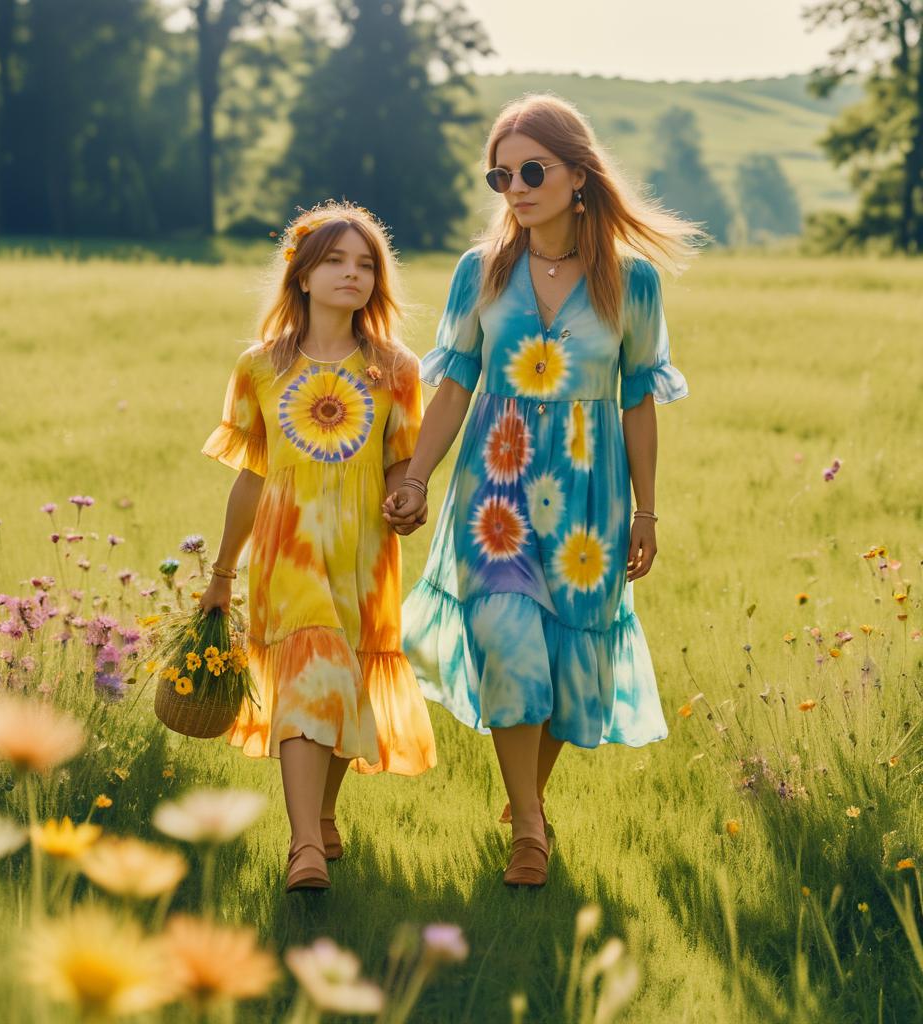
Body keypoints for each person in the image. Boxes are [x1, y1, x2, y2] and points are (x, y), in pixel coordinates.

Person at [384, 94, 702, 888]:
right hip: (496, 492)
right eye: (501, 174)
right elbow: (455, 380)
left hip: (592, 501)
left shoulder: (632, 282)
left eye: (532, 170)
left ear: (578, 175)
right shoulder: (481, 270)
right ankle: (530, 826)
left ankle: (527, 794)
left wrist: (647, 510)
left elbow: (637, 398)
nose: (516, 187)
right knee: (507, 643)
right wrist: (417, 475)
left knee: (566, 671)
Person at [200, 201, 436, 892]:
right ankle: (303, 844)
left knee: (345, 681)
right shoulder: (260, 367)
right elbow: (251, 476)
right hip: (287, 552)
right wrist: (221, 573)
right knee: (311, 674)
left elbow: (402, 461)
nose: (351, 274)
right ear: (301, 274)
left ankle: (324, 815)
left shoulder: (395, 368)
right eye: (334, 260)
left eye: (366, 265)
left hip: (363, 557)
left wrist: (407, 497)